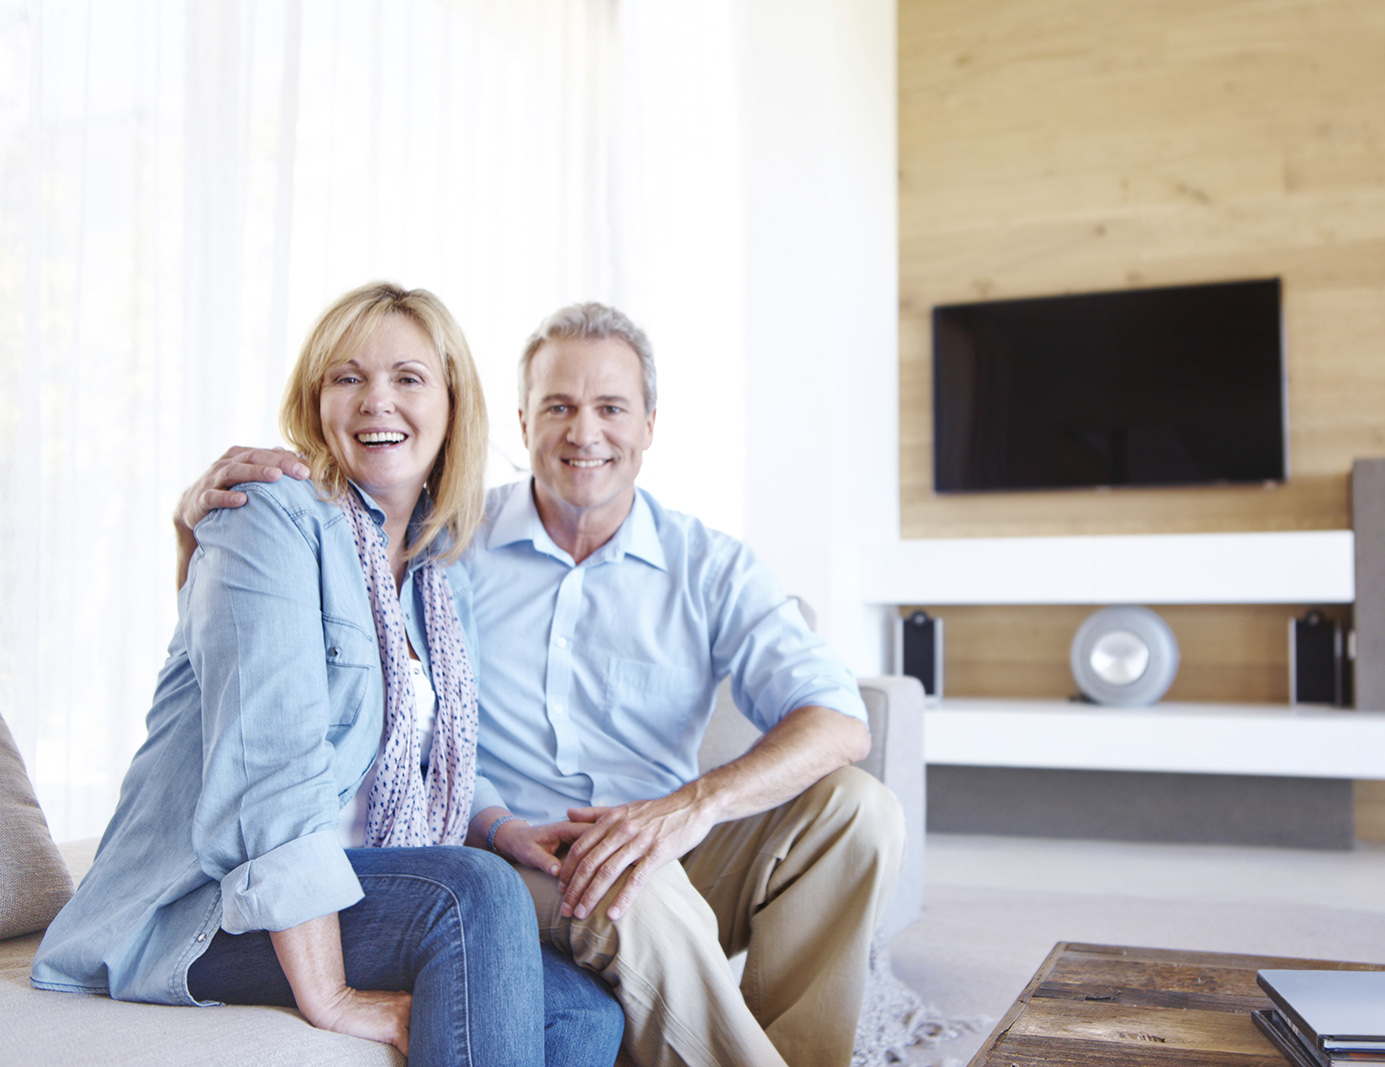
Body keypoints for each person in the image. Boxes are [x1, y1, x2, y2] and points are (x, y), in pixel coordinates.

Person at [175, 302, 906, 1067]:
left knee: (860, 810)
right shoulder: (448, 545)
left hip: (671, 844)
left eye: (611, 408)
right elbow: (266, 666)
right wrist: (195, 533)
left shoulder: (709, 565)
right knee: (632, 888)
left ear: (650, 424)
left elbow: (839, 720)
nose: (584, 433)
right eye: (559, 407)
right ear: (522, 424)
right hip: (522, 865)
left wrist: (689, 810)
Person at [33, 282, 623, 1067]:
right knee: (472, 893)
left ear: (454, 407)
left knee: (585, 1013)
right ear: (316, 404)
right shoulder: (267, 517)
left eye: (408, 378)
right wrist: (331, 995)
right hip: (203, 909)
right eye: (347, 378)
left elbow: (412, 754)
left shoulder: (439, 577)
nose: (376, 400)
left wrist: (499, 824)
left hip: (355, 882)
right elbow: (267, 773)